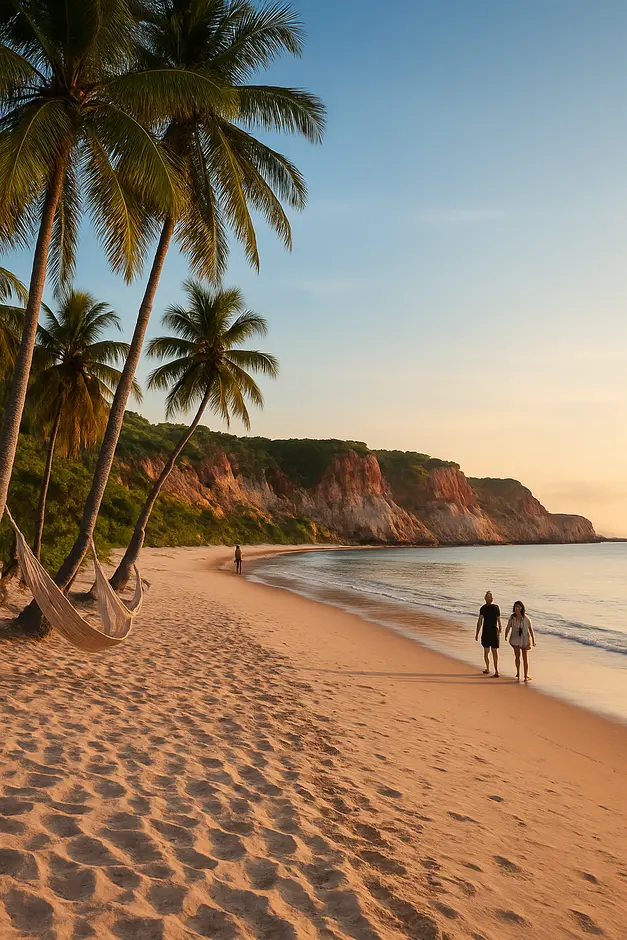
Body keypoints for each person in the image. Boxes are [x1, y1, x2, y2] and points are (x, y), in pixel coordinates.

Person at [505, 600, 536, 681]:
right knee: (517, 656)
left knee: (525, 658)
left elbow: (530, 629)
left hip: (524, 639)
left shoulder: (526, 618)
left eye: (518, 607)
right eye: (516, 607)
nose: (517, 608)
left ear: (522, 608)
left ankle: (525, 675)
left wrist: (533, 640)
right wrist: (506, 634)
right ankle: (518, 672)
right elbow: (508, 627)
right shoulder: (512, 618)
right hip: (515, 639)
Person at [475, 590, 501, 677]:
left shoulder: (496, 607)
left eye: (491, 597)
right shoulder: (483, 608)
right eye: (488, 596)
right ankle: (487, 668)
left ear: (492, 598)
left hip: (494, 632)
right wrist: (477, 633)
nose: (490, 598)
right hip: (485, 632)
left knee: (494, 652)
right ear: (485, 598)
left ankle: (496, 670)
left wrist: (500, 629)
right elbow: (480, 621)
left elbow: (499, 619)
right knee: (486, 652)